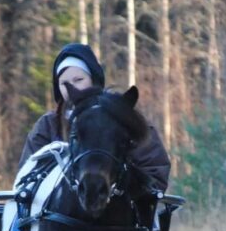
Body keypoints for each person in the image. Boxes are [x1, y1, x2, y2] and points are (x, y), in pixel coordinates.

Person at [19, 42, 171, 193]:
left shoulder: (122, 118)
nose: (72, 87)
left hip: (119, 210)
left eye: (78, 80)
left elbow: (155, 172)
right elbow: (28, 175)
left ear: (93, 80)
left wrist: (123, 186)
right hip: (55, 213)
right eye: (64, 83)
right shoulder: (48, 125)